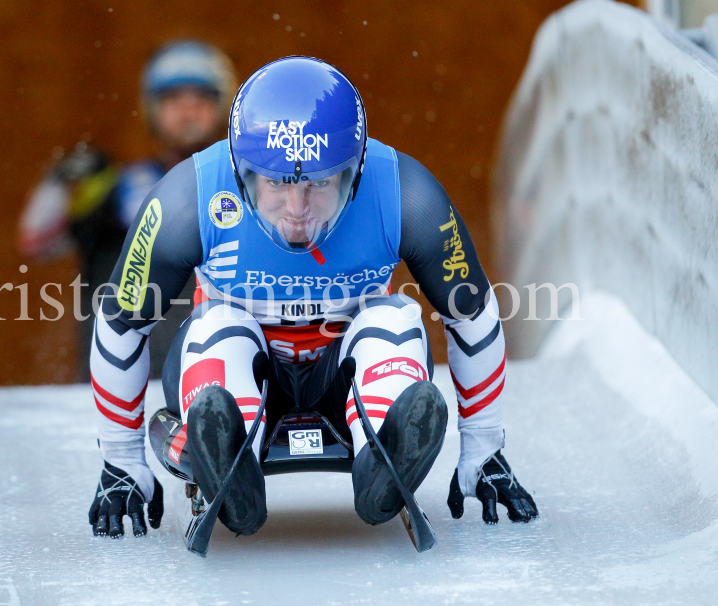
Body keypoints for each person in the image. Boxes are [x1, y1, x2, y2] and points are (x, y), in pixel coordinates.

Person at [87, 56, 538, 539]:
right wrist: (122, 460)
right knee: (218, 325)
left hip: (344, 376)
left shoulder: (405, 192)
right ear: (240, 172)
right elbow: (122, 321)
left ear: (357, 169)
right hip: (240, 368)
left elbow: (470, 312)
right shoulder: (186, 196)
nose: (297, 211)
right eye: (277, 183)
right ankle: (232, 458)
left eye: (321, 183)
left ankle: (381, 462)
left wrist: (484, 449)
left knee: (393, 317)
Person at [18, 41, 236, 380]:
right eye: (173, 99)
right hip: (117, 385)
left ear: (222, 107)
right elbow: (35, 242)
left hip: (214, 383)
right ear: (151, 108)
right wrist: (60, 181)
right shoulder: (114, 187)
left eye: (202, 99)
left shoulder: (249, 190)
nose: (188, 112)